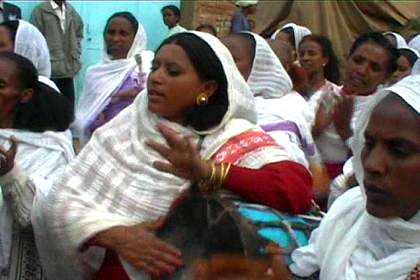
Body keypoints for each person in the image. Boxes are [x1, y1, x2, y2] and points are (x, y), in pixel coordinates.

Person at [35, 31, 313, 279]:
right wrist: (115, 235)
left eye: (173, 71)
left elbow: (296, 192)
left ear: (207, 89)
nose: (156, 78)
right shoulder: (125, 126)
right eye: (155, 67)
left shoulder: (229, 135)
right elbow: (59, 202)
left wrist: (206, 171)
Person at [290, 74, 420, 280]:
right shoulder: (351, 211)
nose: (371, 164)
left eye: (400, 150)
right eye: (369, 144)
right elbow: (306, 264)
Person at [223, 32, 328, 200]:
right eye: (218, 55)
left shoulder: (283, 107)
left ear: (259, 66)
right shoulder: (212, 105)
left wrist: (214, 173)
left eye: (232, 59)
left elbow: (291, 184)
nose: (222, 63)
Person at [0, 52, 75, 280]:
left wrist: (10, 174)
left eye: (0, 85)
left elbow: (42, 216)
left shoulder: (49, 150)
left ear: (25, 95)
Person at [307, 32, 398, 181]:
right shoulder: (325, 95)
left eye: (374, 68)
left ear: (386, 77)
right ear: (347, 59)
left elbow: (378, 160)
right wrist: (318, 126)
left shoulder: (383, 111)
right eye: (358, 60)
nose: (362, 71)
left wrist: (345, 130)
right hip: (309, 171)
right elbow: (300, 138)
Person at [73, 12, 153, 144]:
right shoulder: (95, 73)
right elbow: (86, 113)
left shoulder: (146, 67)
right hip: (99, 142)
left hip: (135, 143)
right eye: (111, 32)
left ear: (136, 38)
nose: (115, 38)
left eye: (123, 33)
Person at [30, 0, 84, 111]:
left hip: (68, 70)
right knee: (49, 110)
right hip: (50, 71)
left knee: (68, 108)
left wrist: (76, 50)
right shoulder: (41, 10)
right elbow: (34, 38)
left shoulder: (70, 10)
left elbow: (79, 32)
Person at [298, 34, 341, 99]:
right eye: (302, 54)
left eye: (311, 54)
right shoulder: (292, 92)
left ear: (325, 60)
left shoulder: (336, 94)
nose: (305, 58)